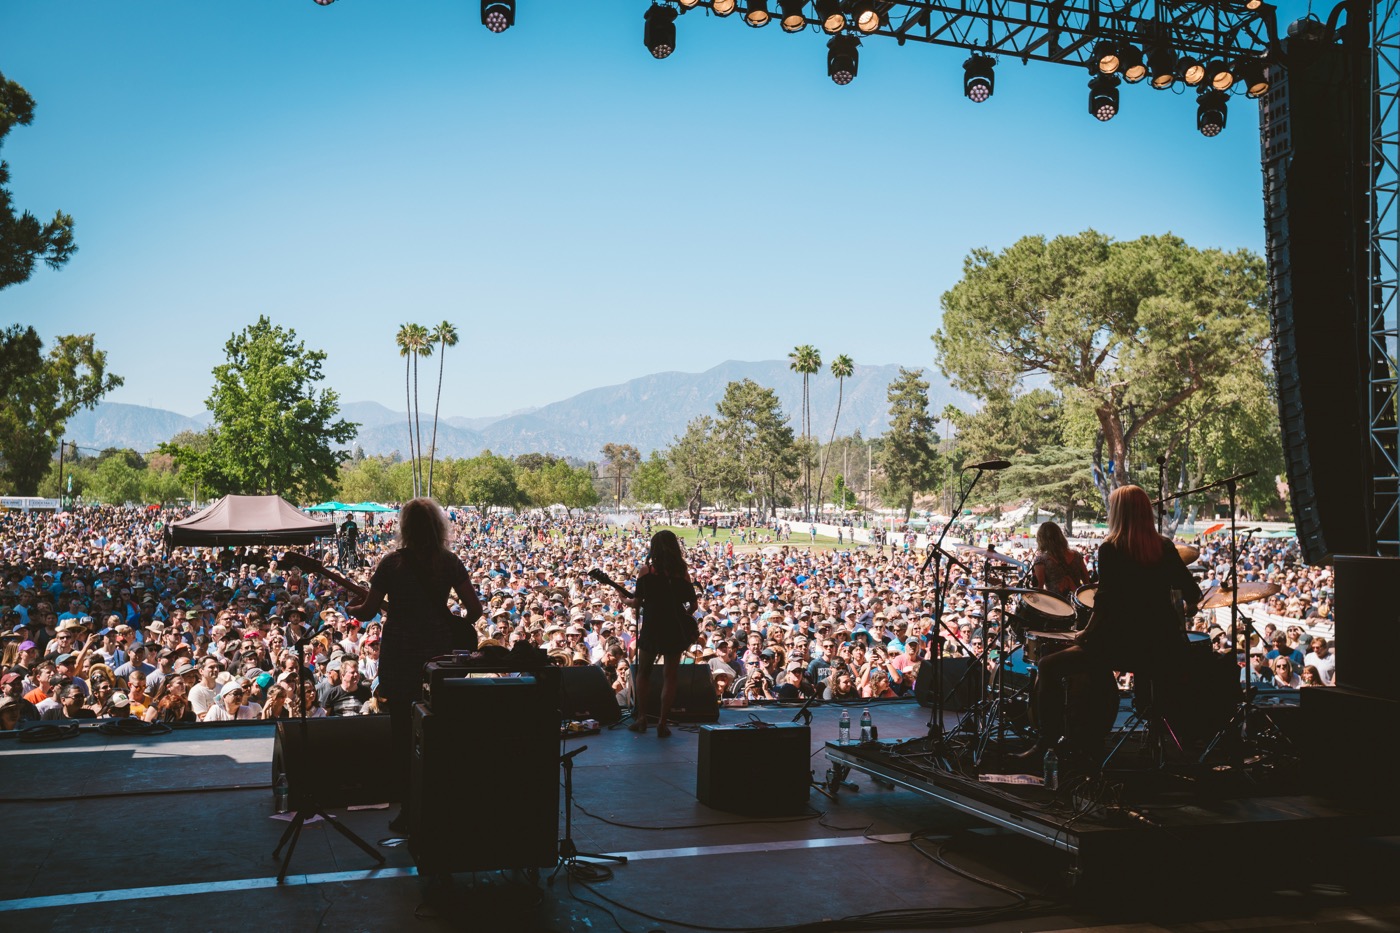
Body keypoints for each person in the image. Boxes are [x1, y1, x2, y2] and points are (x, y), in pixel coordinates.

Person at [1018, 485, 1201, 759]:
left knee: (1048, 666)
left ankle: (1048, 743)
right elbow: (1192, 593)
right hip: (1161, 646)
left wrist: (1086, 633)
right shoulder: (1163, 546)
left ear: (1119, 512)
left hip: (1120, 645)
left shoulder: (1112, 548)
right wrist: (1186, 608)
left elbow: (1105, 603)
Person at [348, 497, 483, 834]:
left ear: (404, 527)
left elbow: (367, 612)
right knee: (438, 726)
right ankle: (442, 803)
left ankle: (409, 809)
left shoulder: (392, 563)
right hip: (437, 656)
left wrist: (353, 608)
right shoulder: (449, 562)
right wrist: (453, 625)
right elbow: (475, 610)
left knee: (404, 734)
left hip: (399, 656)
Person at [621, 530, 697, 739]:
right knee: (670, 676)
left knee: (643, 672)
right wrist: (683, 617)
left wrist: (623, 599)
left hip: (652, 627)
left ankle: (642, 718)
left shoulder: (647, 571)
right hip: (673, 629)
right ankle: (663, 722)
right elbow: (693, 604)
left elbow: (636, 603)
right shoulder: (682, 573)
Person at [1031, 522, 1091, 598]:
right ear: (1060, 536)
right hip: (1077, 603)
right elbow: (1087, 583)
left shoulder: (1041, 561)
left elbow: (1039, 590)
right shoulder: (1077, 556)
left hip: (1055, 606)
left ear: (1041, 539)